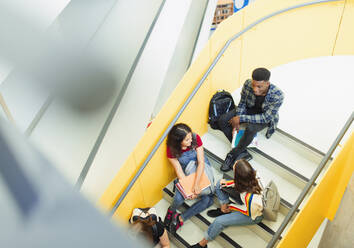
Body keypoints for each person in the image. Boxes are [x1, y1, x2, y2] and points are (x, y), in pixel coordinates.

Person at [218, 67, 284, 172]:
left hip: (263, 116)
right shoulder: (248, 84)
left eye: (259, 87)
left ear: (267, 84)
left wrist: (240, 118)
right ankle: (243, 151)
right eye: (254, 85)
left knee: (251, 129)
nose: (255, 89)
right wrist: (237, 118)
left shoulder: (278, 95)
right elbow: (243, 102)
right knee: (222, 120)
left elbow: (266, 117)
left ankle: (232, 154)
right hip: (250, 109)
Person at [191, 159, 263, 248]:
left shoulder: (250, 198)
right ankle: (223, 210)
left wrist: (232, 207)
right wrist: (227, 183)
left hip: (253, 215)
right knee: (219, 184)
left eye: (234, 168)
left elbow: (247, 212)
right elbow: (240, 182)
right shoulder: (252, 173)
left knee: (218, 221)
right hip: (247, 200)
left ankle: (202, 244)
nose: (233, 165)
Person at [164, 123, 215, 234]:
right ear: (178, 142)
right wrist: (189, 189)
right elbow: (179, 170)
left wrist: (196, 184)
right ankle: (171, 210)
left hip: (201, 169)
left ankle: (181, 218)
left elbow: (201, 162)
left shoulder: (195, 138)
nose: (191, 141)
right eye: (187, 140)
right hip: (186, 173)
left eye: (190, 137)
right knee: (178, 199)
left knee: (208, 200)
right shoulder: (171, 149)